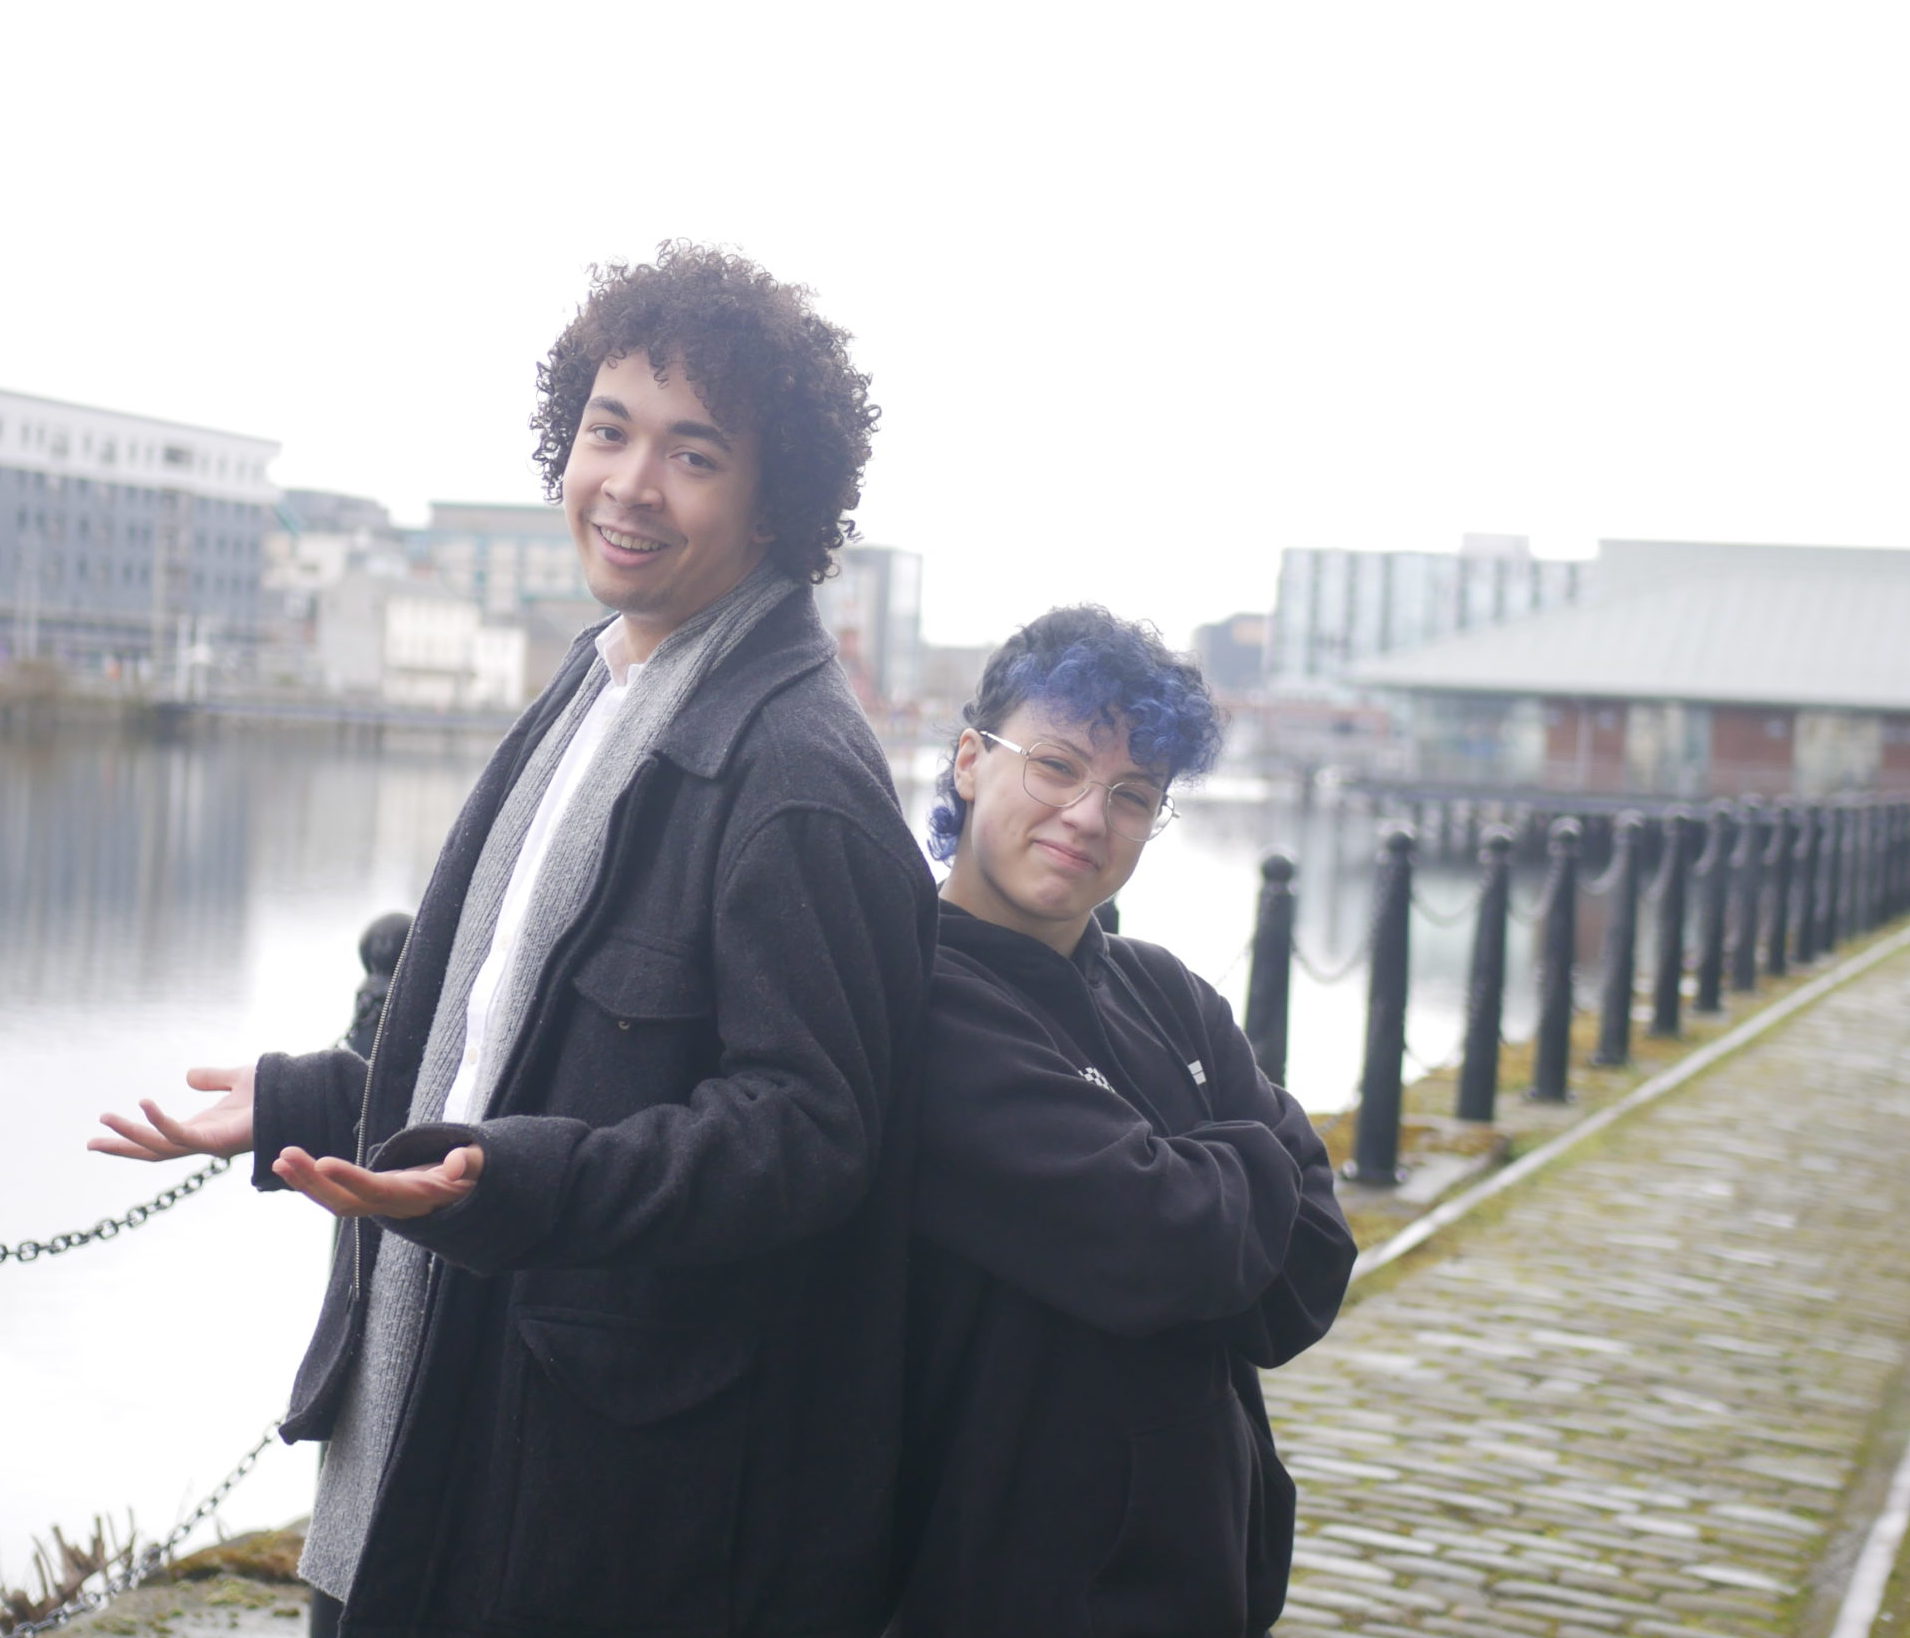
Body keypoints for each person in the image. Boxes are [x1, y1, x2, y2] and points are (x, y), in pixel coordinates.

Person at [91, 244, 939, 1638]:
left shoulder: (795, 778)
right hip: (442, 1430)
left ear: (775, 499)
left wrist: (519, 1182)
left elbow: (808, 1136)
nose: (629, 483)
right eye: (607, 430)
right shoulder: (607, 678)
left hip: (601, 1509)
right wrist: (309, 1103)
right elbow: (501, 1030)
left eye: (694, 453)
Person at [890, 607, 1357, 1638]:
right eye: (1054, 767)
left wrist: (1196, 1183)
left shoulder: (1165, 992)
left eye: (1131, 795)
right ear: (970, 760)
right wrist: (1245, 1153)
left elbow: (1309, 1273)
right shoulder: (915, 997)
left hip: (1202, 1585)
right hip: (991, 1586)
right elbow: (1158, 1245)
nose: (1087, 817)